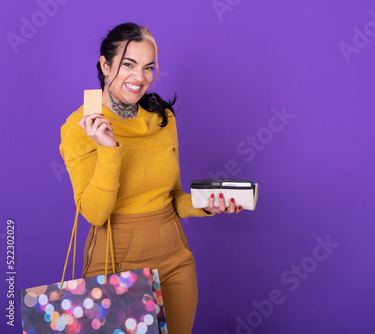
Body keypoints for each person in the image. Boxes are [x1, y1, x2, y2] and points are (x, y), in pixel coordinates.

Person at [60, 22, 241, 334]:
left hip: (174, 257)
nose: (139, 77)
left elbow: (171, 197)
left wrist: (208, 204)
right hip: (116, 261)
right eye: (128, 65)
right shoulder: (80, 127)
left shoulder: (162, 118)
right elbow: (95, 212)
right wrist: (109, 149)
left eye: (148, 67)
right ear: (105, 65)